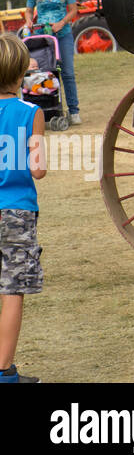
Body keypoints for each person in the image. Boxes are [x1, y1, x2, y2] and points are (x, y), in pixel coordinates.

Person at [0, 32, 46, 383]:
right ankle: (4, 370)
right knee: (12, 289)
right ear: (20, 75)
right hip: (17, 211)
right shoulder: (32, 113)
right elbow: (37, 168)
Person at [24, 0, 79, 126]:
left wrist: (62, 22)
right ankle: (44, 108)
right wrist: (29, 21)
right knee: (43, 71)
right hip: (42, 37)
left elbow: (73, 10)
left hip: (62, 34)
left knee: (67, 72)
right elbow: (28, 10)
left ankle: (73, 110)